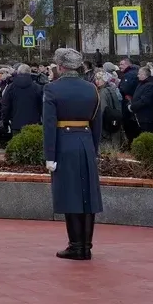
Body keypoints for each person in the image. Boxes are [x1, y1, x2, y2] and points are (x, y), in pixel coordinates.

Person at [43, 48, 102, 261]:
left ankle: (76, 245)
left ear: (60, 67)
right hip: (85, 142)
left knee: (71, 194)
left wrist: (49, 155)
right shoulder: (91, 89)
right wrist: (93, 149)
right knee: (88, 195)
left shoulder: (52, 89)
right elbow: (97, 123)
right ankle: (86, 245)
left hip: (64, 144)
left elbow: (49, 124)